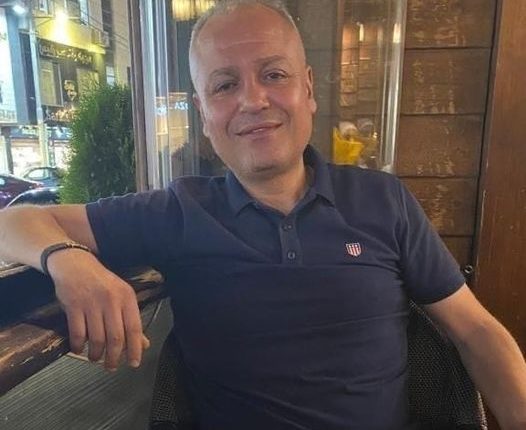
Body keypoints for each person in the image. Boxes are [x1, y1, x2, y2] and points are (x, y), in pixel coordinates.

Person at [1, 1, 525, 429]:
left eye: (273, 74)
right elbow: (11, 223)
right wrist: (70, 262)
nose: (253, 100)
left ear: (308, 89)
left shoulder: (383, 200)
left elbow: (476, 331)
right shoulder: (179, 210)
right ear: (205, 114)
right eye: (225, 85)